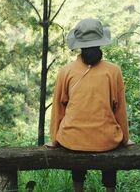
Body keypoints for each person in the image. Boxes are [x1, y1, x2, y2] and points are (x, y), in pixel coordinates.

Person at [46, 18, 133, 192]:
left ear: (79, 45)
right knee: (109, 148)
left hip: (72, 140)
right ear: (101, 42)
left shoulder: (66, 71)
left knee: (75, 139)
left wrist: (54, 139)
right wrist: (125, 138)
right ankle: (110, 189)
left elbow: (58, 108)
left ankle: (79, 189)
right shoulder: (113, 71)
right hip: (107, 140)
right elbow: (120, 109)